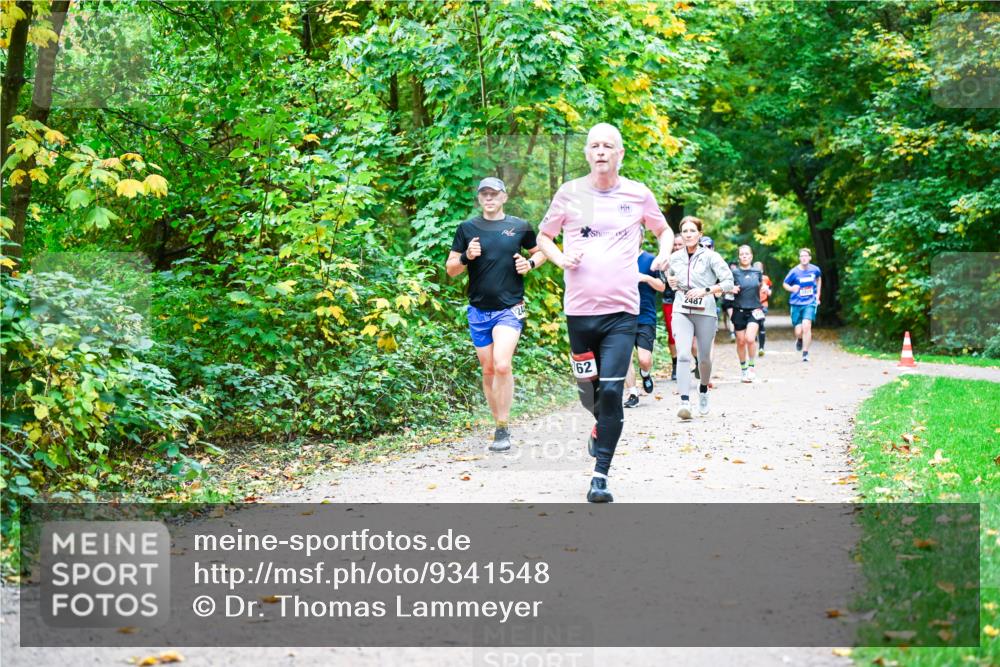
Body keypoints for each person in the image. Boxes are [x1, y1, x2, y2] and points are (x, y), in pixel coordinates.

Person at [536, 122, 673, 503]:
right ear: (586, 153)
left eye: (608, 146)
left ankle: (600, 476)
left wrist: (663, 252)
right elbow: (543, 237)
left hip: (622, 312)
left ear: (620, 153)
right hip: (579, 313)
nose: (600, 151)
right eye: (594, 145)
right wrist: (562, 258)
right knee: (590, 394)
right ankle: (599, 427)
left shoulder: (637, 194)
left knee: (612, 391)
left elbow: (663, 230)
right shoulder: (569, 194)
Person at [446, 177, 546, 451]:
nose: (489, 198)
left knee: (502, 364)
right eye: (484, 194)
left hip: (510, 308)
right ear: (479, 199)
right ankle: (498, 425)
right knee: (488, 369)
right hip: (478, 310)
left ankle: (503, 426)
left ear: (504, 197)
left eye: (494, 194)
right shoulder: (467, 229)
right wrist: (466, 256)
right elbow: (451, 268)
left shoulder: (519, 226)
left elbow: (541, 252)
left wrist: (530, 263)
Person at [665, 216, 733, 420]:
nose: (688, 235)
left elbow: (728, 282)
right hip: (681, 309)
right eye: (684, 231)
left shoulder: (711, 256)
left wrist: (706, 290)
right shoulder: (675, 257)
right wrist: (671, 281)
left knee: (704, 358)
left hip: (705, 310)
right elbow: (670, 279)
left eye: (692, 231)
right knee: (684, 354)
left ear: (700, 234)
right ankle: (684, 402)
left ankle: (703, 389)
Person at [624, 245, 666, 408]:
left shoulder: (651, 260)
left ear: (640, 237)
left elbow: (662, 287)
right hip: (622, 316)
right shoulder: (618, 258)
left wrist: (645, 278)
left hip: (645, 316)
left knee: (644, 359)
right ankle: (633, 393)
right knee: (625, 357)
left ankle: (645, 373)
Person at [731, 246, 765, 382]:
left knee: (750, 339)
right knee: (740, 341)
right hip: (739, 309)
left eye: (747, 254)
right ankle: (743, 369)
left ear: (751, 256)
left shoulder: (757, 271)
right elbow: (725, 287)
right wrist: (730, 289)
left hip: (754, 310)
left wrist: (765, 289)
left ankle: (751, 367)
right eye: (742, 254)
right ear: (739, 257)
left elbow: (760, 286)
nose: (744, 256)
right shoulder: (734, 273)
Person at [782, 248, 822, 362]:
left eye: (806, 256)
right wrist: (791, 288)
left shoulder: (815, 270)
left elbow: (819, 279)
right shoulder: (794, 271)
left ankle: (805, 353)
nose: (804, 258)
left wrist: (818, 295)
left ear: (809, 257)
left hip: (810, 302)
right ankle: (799, 339)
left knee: (806, 325)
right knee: (798, 331)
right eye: (801, 256)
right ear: (799, 258)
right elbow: (785, 283)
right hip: (796, 303)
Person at [660, 235, 684, 380]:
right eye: (674, 244)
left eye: (679, 244)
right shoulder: (666, 262)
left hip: (689, 300)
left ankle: (695, 360)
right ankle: (675, 365)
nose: (676, 247)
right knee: (672, 334)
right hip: (670, 300)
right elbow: (661, 283)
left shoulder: (691, 260)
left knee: (691, 334)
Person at [753, 261, 772, 356]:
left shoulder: (766, 279)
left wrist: (767, 290)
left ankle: (761, 348)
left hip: (763, 304)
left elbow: (770, 292)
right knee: (753, 324)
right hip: (751, 305)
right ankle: (754, 340)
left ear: (762, 270)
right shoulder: (750, 278)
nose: (758, 272)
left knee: (760, 323)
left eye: (759, 270)